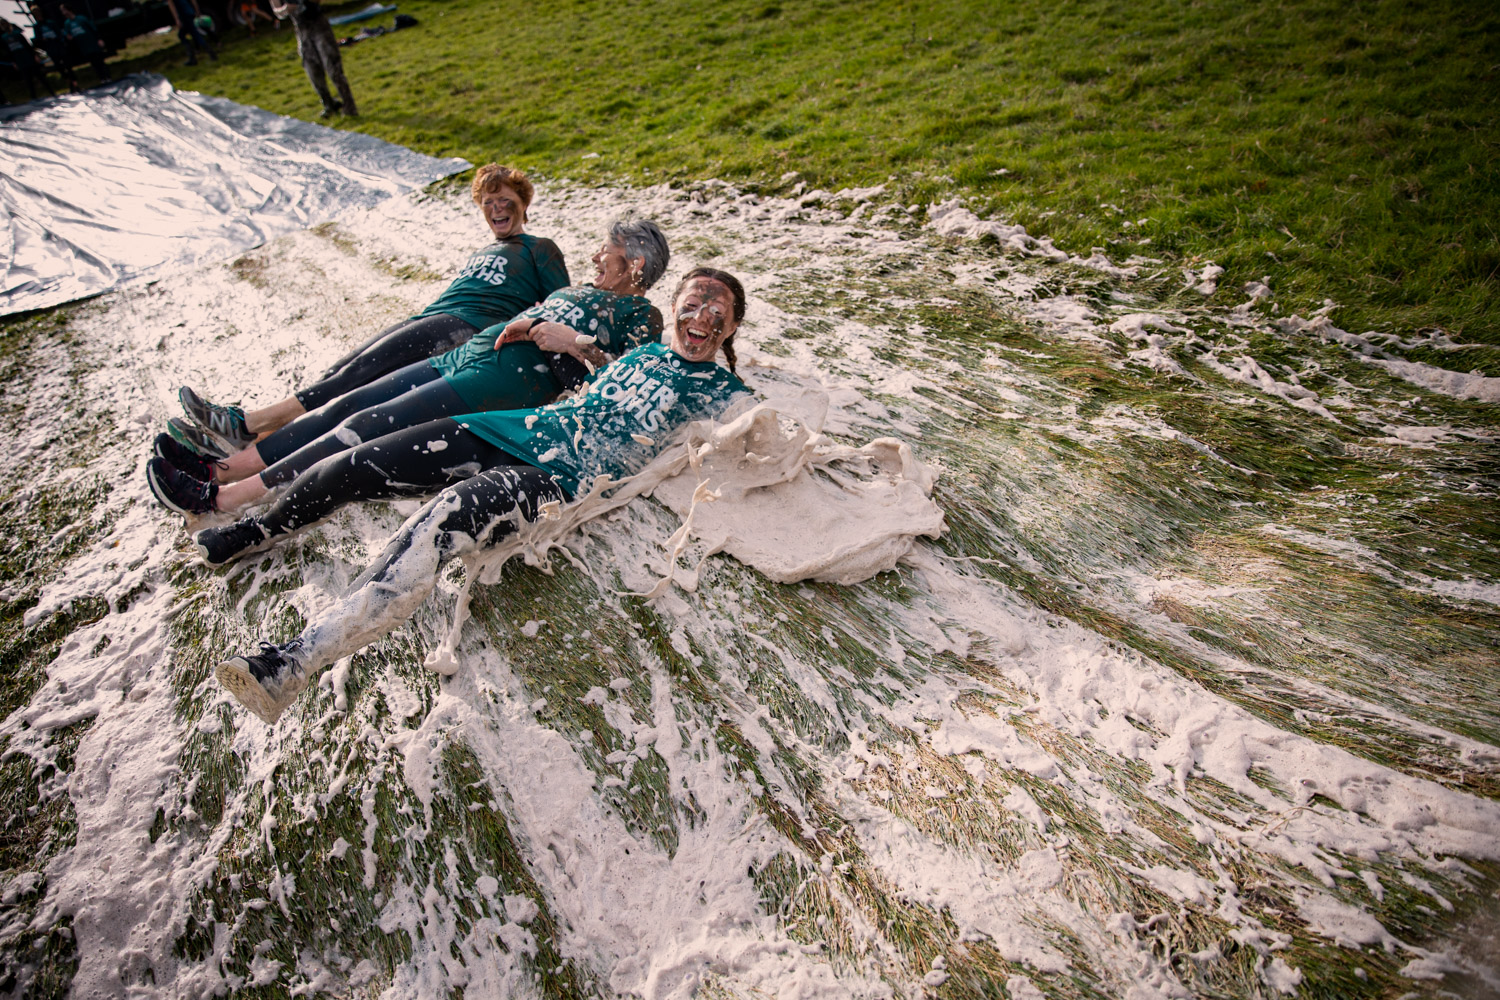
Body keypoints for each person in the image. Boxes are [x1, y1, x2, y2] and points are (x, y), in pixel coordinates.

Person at [212, 267, 750, 723]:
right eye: (694, 301)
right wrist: (565, 338)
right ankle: (253, 531)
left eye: (717, 310)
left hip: (558, 478)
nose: (702, 314)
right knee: (355, 463)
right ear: (676, 305)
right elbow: (606, 364)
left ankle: (291, 664)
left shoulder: (723, 390)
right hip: (513, 427)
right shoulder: (640, 356)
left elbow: (768, 433)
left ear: (729, 330)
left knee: (437, 522)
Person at [147, 219, 670, 516]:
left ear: (637, 265)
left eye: (609, 250)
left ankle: (223, 499)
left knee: (364, 428)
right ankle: (225, 467)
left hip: (498, 383)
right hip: (465, 356)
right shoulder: (581, 288)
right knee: (349, 403)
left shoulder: (642, 313)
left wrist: (567, 338)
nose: (597, 255)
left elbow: (623, 380)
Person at [167, 164, 567, 457]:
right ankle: (250, 447)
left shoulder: (539, 247)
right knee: (339, 375)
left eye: (506, 201)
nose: (497, 209)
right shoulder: (485, 249)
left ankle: (244, 425)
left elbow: (561, 303)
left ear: (523, 204)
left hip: (464, 327)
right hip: (430, 318)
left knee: (352, 380)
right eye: (488, 202)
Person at [271, 0, 354, 117]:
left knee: (333, 68)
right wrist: (286, 9)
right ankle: (329, 104)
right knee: (312, 71)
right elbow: (277, 11)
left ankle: (349, 107)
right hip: (301, 30)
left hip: (319, 25)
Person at [1, 18, 57, 100]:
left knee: (39, 76)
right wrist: (13, 62)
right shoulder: (4, 38)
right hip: (19, 60)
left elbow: (27, 45)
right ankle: (33, 97)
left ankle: (52, 93)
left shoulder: (17, 34)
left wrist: (35, 55)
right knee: (28, 80)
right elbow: (8, 51)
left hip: (28, 57)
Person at [28, 5, 78, 92]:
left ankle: (75, 84)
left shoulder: (50, 22)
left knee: (68, 65)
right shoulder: (37, 27)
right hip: (50, 48)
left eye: (38, 12)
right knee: (59, 67)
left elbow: (59, 33)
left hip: (58, 45)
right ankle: (69, 83)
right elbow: (37, 39)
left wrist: (60, 40)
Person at [60, 4, 111, 84]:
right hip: (84, 47)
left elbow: (93, 28)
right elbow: (68, 36)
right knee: (94, 64)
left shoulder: (81, 19)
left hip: (93, 44)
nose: (63, 13)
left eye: (64, 10)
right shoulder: (67, 24)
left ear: (69, 10)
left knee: (100, 61)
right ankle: (102, 79)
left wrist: (99, 39)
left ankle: (108, 78)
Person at [166, 0, 216, 65]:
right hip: (189, 11)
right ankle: (203, 54)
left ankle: (197, 56)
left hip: (183, 14)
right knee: (190, 34)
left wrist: (177, 19)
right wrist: (197, 10)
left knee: (190, 35)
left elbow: (171, 5)